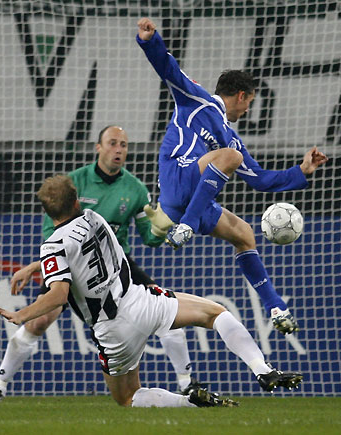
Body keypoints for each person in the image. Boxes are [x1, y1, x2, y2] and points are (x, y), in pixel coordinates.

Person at [0, 175, 303, 407]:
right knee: (214, 313)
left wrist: (21, 312)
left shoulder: (53, 245)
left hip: (111, 330)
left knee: (127, 397)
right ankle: (261, 368)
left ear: (46, 211)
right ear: (77, 202)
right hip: (140, 301)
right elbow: (80, 249)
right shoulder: (95, 218)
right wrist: (35, 266)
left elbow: (59, 294)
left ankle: (189, 402)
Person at [136, 18, 328, 335]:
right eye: (249, 102)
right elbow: (168, 68)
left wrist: (302, 170)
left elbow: (260, 179)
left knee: (244, 233)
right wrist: (149, 40)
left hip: (192, 200)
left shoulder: (231, 139)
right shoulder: (198, 100)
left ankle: (276, 306)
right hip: (177, 175)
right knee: (231, 157)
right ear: (240, 95)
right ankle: (183, 223)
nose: (248, 110)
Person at [0, 126, 198, 402]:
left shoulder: (135, 189)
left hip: (116, 260)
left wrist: (159, 231)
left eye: (123, 144)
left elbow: (149, 238)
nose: (118, 149)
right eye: (112, 143)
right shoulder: (74, 183)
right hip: (73, 263)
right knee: (40, 320)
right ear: (98, 147)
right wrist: (36, 266)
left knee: (164, 307)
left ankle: (186, 382)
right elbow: (54, 238)